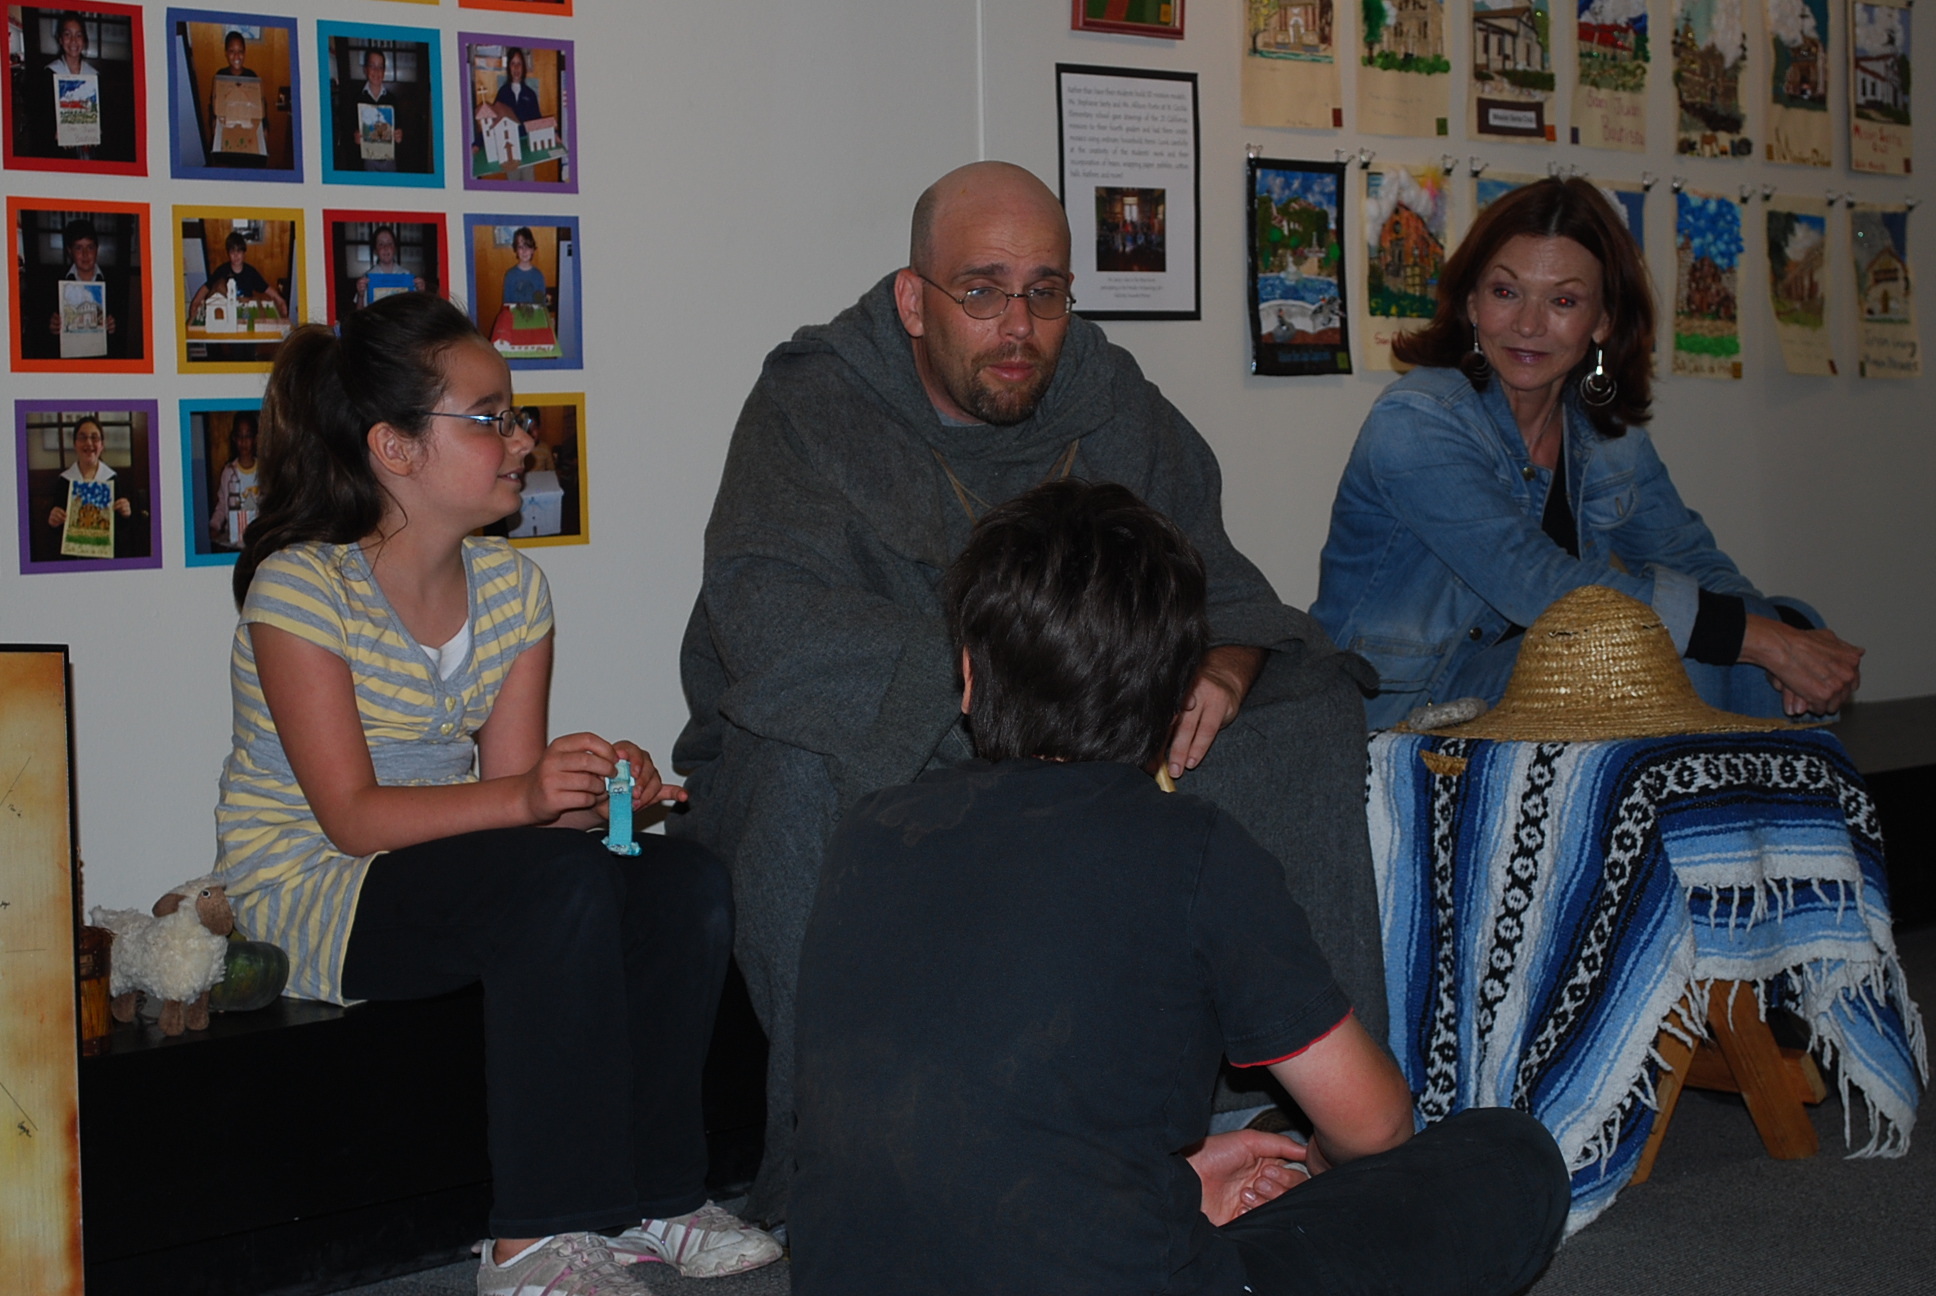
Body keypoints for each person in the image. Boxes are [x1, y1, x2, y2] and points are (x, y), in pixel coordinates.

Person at [673, 160, 1384, 1226]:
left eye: (1044, 291)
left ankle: (1283, 1121)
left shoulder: (1116, 406)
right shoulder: (813, 405)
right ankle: (842, 1166)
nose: (1018, 324)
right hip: (893, 723)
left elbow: (1228, 589)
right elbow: (764, 616)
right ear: (914, 300)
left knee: (1303, 718)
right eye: (982, 289)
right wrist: (1000, 694)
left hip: (1095, 734)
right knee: (796, 774)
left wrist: (1226, 664)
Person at [791, 479, 1570, 1296]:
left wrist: (1176, 1178)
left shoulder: (866, 832)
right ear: (1174, 700)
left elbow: (970, 1125)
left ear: (969, 677)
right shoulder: (1191, 847)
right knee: (1509, 1156)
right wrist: (1316, 1169)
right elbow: (1374, 1123)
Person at [213, 293, 780, 1296]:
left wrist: (601, 790)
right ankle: (532, 1239)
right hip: (316, 885)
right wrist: (527, 800)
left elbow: (531, 815)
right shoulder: (302, 588)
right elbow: (351, 816)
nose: (523, 439)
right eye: (491, 417)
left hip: (439, 870)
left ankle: (657, 1196)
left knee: (680, 881)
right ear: (394, 448)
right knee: (550, 891)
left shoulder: (514, 590)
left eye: (516, 415)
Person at [1312, 178, 1864, 730]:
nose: (1528, 324)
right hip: (1403, 711)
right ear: (1472, 303)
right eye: (1506, 292)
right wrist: (1763, 641)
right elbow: (1539, 585)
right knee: (1655, 658)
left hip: (1538, 692)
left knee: (1772, 626)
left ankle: (1748, 808)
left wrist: (1790, 641)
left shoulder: (1605, 437)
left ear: (1602, 321)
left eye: (1563, 300)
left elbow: (1694, 564)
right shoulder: (1415, 420)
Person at [39, 415, 144, 561]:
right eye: (82, 437)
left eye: (95, 438)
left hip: (107, 559)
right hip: (74, 559)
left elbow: (120, 527)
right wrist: (53, 522)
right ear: (75, 444)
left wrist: (126, 514)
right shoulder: (65, 480)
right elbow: (57, 530)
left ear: (102, 445)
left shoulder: (111, 478)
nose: (88, 443)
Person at [33, 216, 122, 361]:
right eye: (78, 248)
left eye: (90, 247)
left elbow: (124, 337)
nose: (85, 254)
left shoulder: (113, 283)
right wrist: (51, 326)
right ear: (69, 251)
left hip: (101, 360)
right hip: (69, 360)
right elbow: (41, 330)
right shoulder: (55, 283)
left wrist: (113, 327)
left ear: (97, 249)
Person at [188, 229, 288, 322]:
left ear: (244, 253)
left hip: (246, 312)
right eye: (232, 252)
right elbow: (206, 288)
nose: (236, 256)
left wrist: (281, 301)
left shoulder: (251, 272)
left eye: (239, 251)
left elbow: (267, 289)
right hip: (227, 313)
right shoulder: (222, 271)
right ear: (228, 253)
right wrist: (195, 303)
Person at [205, 29, 266, 168]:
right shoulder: (221, 75)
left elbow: (261, 105)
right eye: (232, 51)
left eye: (240, 51)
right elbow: (213, 105)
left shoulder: (252, 76)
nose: (236, 56)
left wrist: (265, 127)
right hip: (227, 126)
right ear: (226, 53)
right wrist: (213, 124)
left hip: (247, 128)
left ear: (245, 53)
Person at [208, 410, 261, 551]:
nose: (244, 441)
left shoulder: (263, 471)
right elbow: (222, 505)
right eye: (239, 436)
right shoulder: (228, 472)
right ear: (234, 439)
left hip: (256, 540)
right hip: (233, 539)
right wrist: (214, 525)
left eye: (248, 436)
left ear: (255, 439)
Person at [346, 48, 401, 174]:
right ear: (365, 69)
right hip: (367, 159)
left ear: (384, 71)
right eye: (372, 66)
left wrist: (399, 135)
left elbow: (399, 127)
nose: (376, 71)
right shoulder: (356, 99)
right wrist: (354, 138)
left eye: (380, 67)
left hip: (388, 158)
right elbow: (349, 129)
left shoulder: (392, 99)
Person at [354, 225, 427, 309]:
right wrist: (361, 295)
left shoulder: (406, 275)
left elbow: (417, 310)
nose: (386, 248)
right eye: (381, 244)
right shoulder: (367, 278)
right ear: (375, 250)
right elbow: (359, 313)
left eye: (389, 243)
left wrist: (422, 293)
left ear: (395, 248)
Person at [501, 227, 548, 306]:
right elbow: (506, 304)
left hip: (534, 316)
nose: (524, 251)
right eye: (520, 247)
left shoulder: (538, 276)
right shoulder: (510, 275)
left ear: (533, 249)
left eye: (528, 246)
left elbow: (541, 304)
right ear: (516, 250)